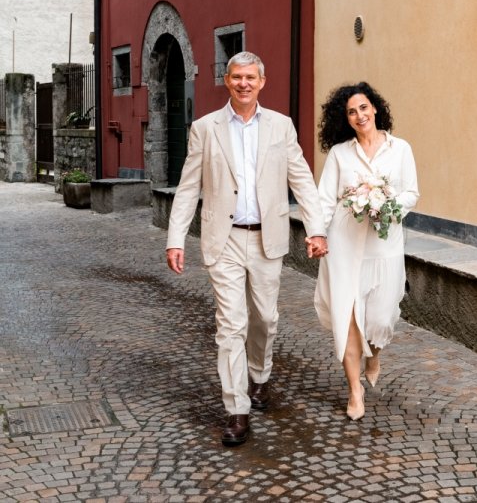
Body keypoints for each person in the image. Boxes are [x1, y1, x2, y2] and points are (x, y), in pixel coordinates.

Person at [166, 51, 327, 447]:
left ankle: (260, 374)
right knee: (230, 325)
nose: (243, 83)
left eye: (250, 78)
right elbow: (188, 187)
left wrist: (316, 228)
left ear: (262, 81)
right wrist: (175, 238)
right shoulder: (205, 128)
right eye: (236, 77)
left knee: (266, 320)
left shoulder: (280, 126)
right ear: (227, 81)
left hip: (266, 238)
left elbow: (302, 180)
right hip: (224, 240)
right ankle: (236, 408)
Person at [314, 81, 418, 421]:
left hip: (385, 247)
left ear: (375, 108)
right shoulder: (340, 154)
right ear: (345, 119)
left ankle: (375, 354)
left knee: (380, 318)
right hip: (345, 245)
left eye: (363, 108)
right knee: (348, 319)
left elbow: (410, 192)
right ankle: (354, 390)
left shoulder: (400, 149)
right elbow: (326, 199)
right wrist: (317, 233)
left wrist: (387, 207)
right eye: (351, 112)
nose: (359, 115)